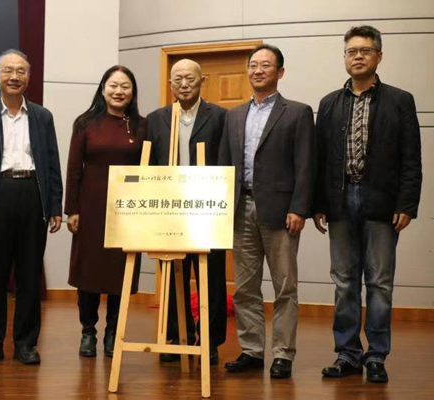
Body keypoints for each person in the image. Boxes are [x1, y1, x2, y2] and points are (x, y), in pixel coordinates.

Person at [315, 26, 422, 384]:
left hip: (383, 203)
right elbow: (320, 158)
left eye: (365, 50)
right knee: (344, 282)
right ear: (345, 58)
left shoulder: (400, 100)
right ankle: (347, 354)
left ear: (379, 56)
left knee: (379, 283)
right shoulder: (329, 103)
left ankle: (376, 356)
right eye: (351, 51)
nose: (358, 56)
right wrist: (318, 203)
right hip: (339, 202)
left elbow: (411, 157)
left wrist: (407, 203)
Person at [0, 49, 63, 366]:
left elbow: (52, 164)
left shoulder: (42, 117)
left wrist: (55, 206)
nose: (14, 76)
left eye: (21, 71)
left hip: (33, 195)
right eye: (8, 71)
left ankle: (26, 343)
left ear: (28, 77)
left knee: (30, 274)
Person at [219, 44, 316, 379]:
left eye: (265, 65)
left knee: (285, 287)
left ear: (280, 72)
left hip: (281, 211)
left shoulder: (297, 112)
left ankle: (283, 354)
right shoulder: (233, 115)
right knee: (245, 287)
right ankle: (252, 350)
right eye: (253, 65)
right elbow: (224, 164)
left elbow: (306, 165)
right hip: (240, 208)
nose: (258, 70)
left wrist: (299, 207)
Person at [146, 59, 227, 365]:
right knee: (171, 274)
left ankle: (209, 340)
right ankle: (175, 335)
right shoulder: (156, 119)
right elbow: (149, 165)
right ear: (170, 84)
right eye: (177, 79)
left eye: (190, 78)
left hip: (208, 209)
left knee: (211, 276)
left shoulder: (220, 116)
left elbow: (226, 160)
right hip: (169, 208)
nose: (183, 84)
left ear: (201, 80)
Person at [65, 65, 145, 358]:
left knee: (119, 273)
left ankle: (114, 332)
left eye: (125, 86)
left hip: (128, 210)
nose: (118, 91)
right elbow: (74, 168)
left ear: (133, 92)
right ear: (102, 89)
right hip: (91, 208)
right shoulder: (85, 123)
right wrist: (72, 209)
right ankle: (88, 332)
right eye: (113, 85)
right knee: (88, 272)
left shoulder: (142, 125)